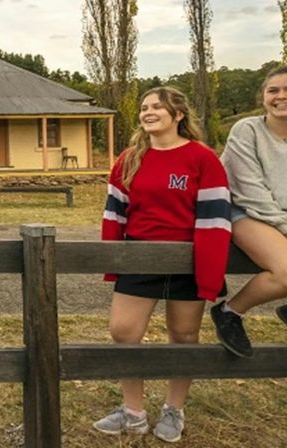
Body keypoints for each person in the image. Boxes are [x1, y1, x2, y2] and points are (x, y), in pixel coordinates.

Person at [93, 86, 231, 443]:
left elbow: (215, 219)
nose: (148, 112)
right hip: (139, 258)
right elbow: (113, 214)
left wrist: (209, 273)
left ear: (178, 115)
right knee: (123, 332)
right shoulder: (129, 158)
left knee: (183, 336)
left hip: (188, 260)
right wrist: (113, 259)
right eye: (144, 107)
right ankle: (133, 412)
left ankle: (174, 409)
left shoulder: (202, 159)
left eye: (157, 106)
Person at [211, 65, 287, 358]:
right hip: (244, 210)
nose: (280, 96)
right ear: (263, 97)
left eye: (286, 90)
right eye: (273, 90)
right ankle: (230, 311)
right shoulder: (248, 130)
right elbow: (247, 188)